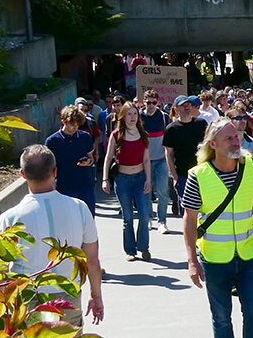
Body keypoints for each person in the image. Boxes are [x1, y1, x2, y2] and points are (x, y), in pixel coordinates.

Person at [0, 145, 104, 338]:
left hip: (29, 298)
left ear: (22, 174)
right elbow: (92, 258)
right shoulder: (79, 208)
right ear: (55, 172)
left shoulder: (10, 218)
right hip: (67, 295)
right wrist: (96, 294)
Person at [182, 118, 253, 338]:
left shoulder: (250, 166)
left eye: (237, 136)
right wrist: (191, 260)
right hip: (215, 257)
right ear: (213, 145)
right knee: (222, 316)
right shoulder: (197, 175)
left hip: (248, 254)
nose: (237, 142)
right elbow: (189, 220)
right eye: (229, 139)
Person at [102, 103, 152, 262]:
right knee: (128, 217)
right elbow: (108, 157)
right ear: (123, 116)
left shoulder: (143, 135)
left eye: (135, 114)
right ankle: (130, 250)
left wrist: (149, 180)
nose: (132, 117)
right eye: (129, 114)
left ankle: (143, 247)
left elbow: (146, 159)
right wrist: (105, 179)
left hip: (140, 178)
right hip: (122, 179)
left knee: (144, 216)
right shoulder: (116, 135)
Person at [45, 105, 97, 215]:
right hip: (64, 187)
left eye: (77, 125)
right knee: (67, 220)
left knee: (88, 218)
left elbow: (91, 157)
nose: (75, 128)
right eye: (72, 125)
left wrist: (88, 162)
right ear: (63, 122)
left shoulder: (85, 137)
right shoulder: (52, 141)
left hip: (85, 185)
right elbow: (48, 168)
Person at [164, 95, 208, 211]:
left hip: (202, 173)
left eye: (188, 104)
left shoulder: (201, 124)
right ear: (176, 109)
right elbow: (169, 154)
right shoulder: (171, 129)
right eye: (183, 105)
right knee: (187, 212)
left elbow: (209, 147)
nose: (187, 107)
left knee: (204, 209)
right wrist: (174, 177)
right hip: (183, 175)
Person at [139, 89, 172, 234]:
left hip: (161, 159)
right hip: (143, 160)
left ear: (158, 103)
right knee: (146, 190)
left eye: (154, 102)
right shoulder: (138, 116)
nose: (151, 105)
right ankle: (148, 219)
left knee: (162, 191)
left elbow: (170, 137)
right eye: (148, 102)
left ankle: (162, 221)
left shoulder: (164, 117)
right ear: (144, 102)